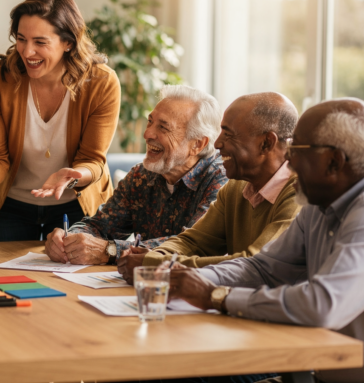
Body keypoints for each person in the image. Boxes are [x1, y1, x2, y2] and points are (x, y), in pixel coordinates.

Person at [167, 98, 364, 383]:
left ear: (333, 161)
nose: (288, 160)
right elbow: (263, 268)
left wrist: (217, 296)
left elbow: (322, 304)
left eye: (296, 150)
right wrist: (185, 278)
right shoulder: (317, 205)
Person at [0, 0, 121, 242]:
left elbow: (93, 160)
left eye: (40, 42)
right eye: (21, 39)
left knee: (73, 279)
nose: (27, 51)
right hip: (10, 206)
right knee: (0, 278)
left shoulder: (101, 83)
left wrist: (74, 175)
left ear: (68, 42)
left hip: (75, 206)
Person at [117, 92, 301, 281]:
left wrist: (155, 264)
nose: (218, 143)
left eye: (228, 135)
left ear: (266, 143)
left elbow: (255, 263)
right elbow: (192, 242)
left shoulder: (300, 194)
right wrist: (154, 256)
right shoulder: (236, 187)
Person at [44, 85, 227, 266]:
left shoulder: (222, 181)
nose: (147, 134)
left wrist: (110, 250)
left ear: (197, 144)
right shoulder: (142, 175)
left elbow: (191, 245)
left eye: (163, 127)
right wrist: (68, 238)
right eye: (150, 121)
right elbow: (99, 226)